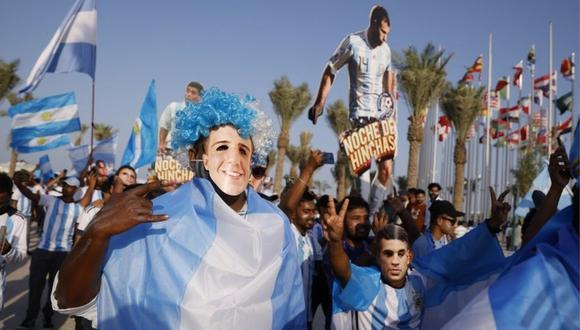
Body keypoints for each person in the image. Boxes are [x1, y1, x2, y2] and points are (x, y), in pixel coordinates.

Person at [52, 88, 305, 329]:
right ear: (198, 155)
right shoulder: (152, 218)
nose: (234, 160)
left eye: (243, 150)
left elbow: (290, 311)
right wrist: (96, 233)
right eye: (222, 147)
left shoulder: (274, 225)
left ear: (253, 160)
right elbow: (70, 300)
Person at [324, 187, 512, 329]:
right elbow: (343, 271)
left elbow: (458, 254)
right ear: (378, 257)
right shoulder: (367, 283)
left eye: (400, 254)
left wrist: (492, 226)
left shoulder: (421, 279)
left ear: (409, 257)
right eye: (388, 254)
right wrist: (334, 242)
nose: (395, 261)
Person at [308, 5, 396, 213]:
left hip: (382, 119)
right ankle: (363, 214)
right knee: (364, 176)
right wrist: (320, 103)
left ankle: (371, 216)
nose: (385, 37)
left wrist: (390, 100)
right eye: (383, 32)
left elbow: (388, 78)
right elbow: (330, 69)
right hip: (361, 118)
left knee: (386, 170)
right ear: (374, 24)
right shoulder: (353, 42)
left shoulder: (386, 50)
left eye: (388, 34)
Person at [14, 173, 84, 329]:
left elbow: (78, 233)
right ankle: (30, 319)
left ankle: (48, 317)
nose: (65, 187)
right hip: (42, 251)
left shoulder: (79, 209)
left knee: (54, 291)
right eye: (64, 184)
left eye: (69, 185)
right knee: (35, 287)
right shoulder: (51, 200)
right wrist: (19, 185)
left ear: (76, 190)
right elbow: (32, 196)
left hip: (62, 254)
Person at [0, 173, 27, 311]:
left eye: (1, 201)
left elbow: (20, 257)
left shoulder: (18, 219)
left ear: (10, 195)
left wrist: (8, 250)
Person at [157, 81, 204, 155]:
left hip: (191, 153)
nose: (189, 94)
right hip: (170, 150)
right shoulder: (173, 107)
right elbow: (164, 126)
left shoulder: (202, 114)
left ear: (200, 96)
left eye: (193, 93)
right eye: (187, 91)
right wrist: (161, 144)